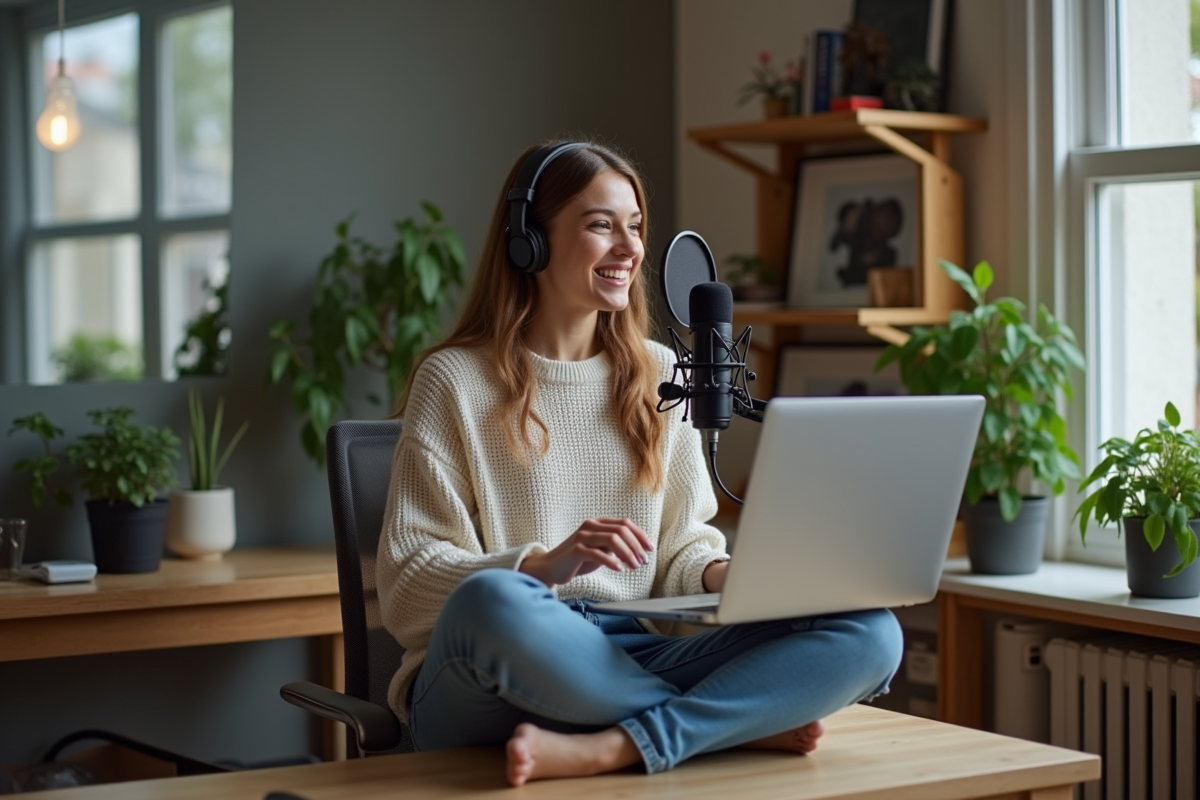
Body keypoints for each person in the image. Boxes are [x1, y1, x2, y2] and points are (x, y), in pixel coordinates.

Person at [376, 139, 903, 786]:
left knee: (872, 631)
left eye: (635, 227)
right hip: (491, 670)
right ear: (528, 241)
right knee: (494, 599)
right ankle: (732, 723)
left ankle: (621, 745)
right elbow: (407, 584)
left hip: (627, 656)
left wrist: (725, 575)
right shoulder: (454, 380)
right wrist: (542, 566)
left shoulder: (662, 373)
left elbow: (679, 549)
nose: (630, 249)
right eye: (601, 225)